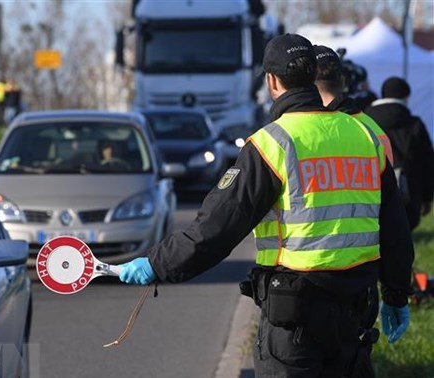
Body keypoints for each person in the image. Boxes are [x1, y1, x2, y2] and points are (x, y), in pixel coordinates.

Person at [117, 34, 414, 377]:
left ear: (272, 81)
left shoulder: (273, 144)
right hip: (355, 311)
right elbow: (394, 226)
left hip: (295, 317)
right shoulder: (364, 136)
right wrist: (396, 293)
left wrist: (157, 264)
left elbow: (216, 228)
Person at [313, 44, 390, 378]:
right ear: (344, 80)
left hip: (301, 289)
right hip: (360, 285)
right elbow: (392, 217)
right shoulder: (373, 132)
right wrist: (397, 290)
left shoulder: (293, 135)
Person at [365, 77, 434, 230]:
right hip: (408, 192)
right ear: (406, 96)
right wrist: (428, 197)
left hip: (371, 190)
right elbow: (427, 162)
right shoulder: (414, 124)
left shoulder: (364, 121)